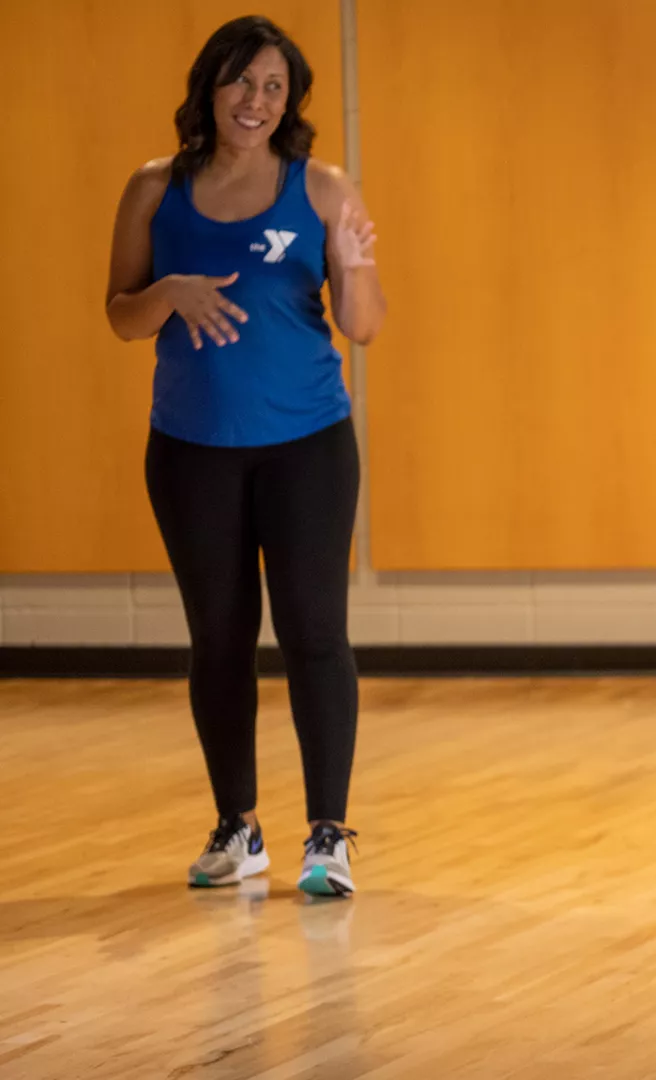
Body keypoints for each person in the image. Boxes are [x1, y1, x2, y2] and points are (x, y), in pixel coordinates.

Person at [104, 15, 385, 897]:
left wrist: (352, 263)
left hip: (307, 446)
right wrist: (169, 292)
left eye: (272, 88)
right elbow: (118, 313)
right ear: (209, 88)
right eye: (240, 83)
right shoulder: (155, 189)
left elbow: (365, 326)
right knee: (218, 641)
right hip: (191, 451)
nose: (255, 102)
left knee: (313, 634)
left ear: (288, 102)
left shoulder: (324, 189)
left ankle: (328, 837)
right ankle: (238, 828)